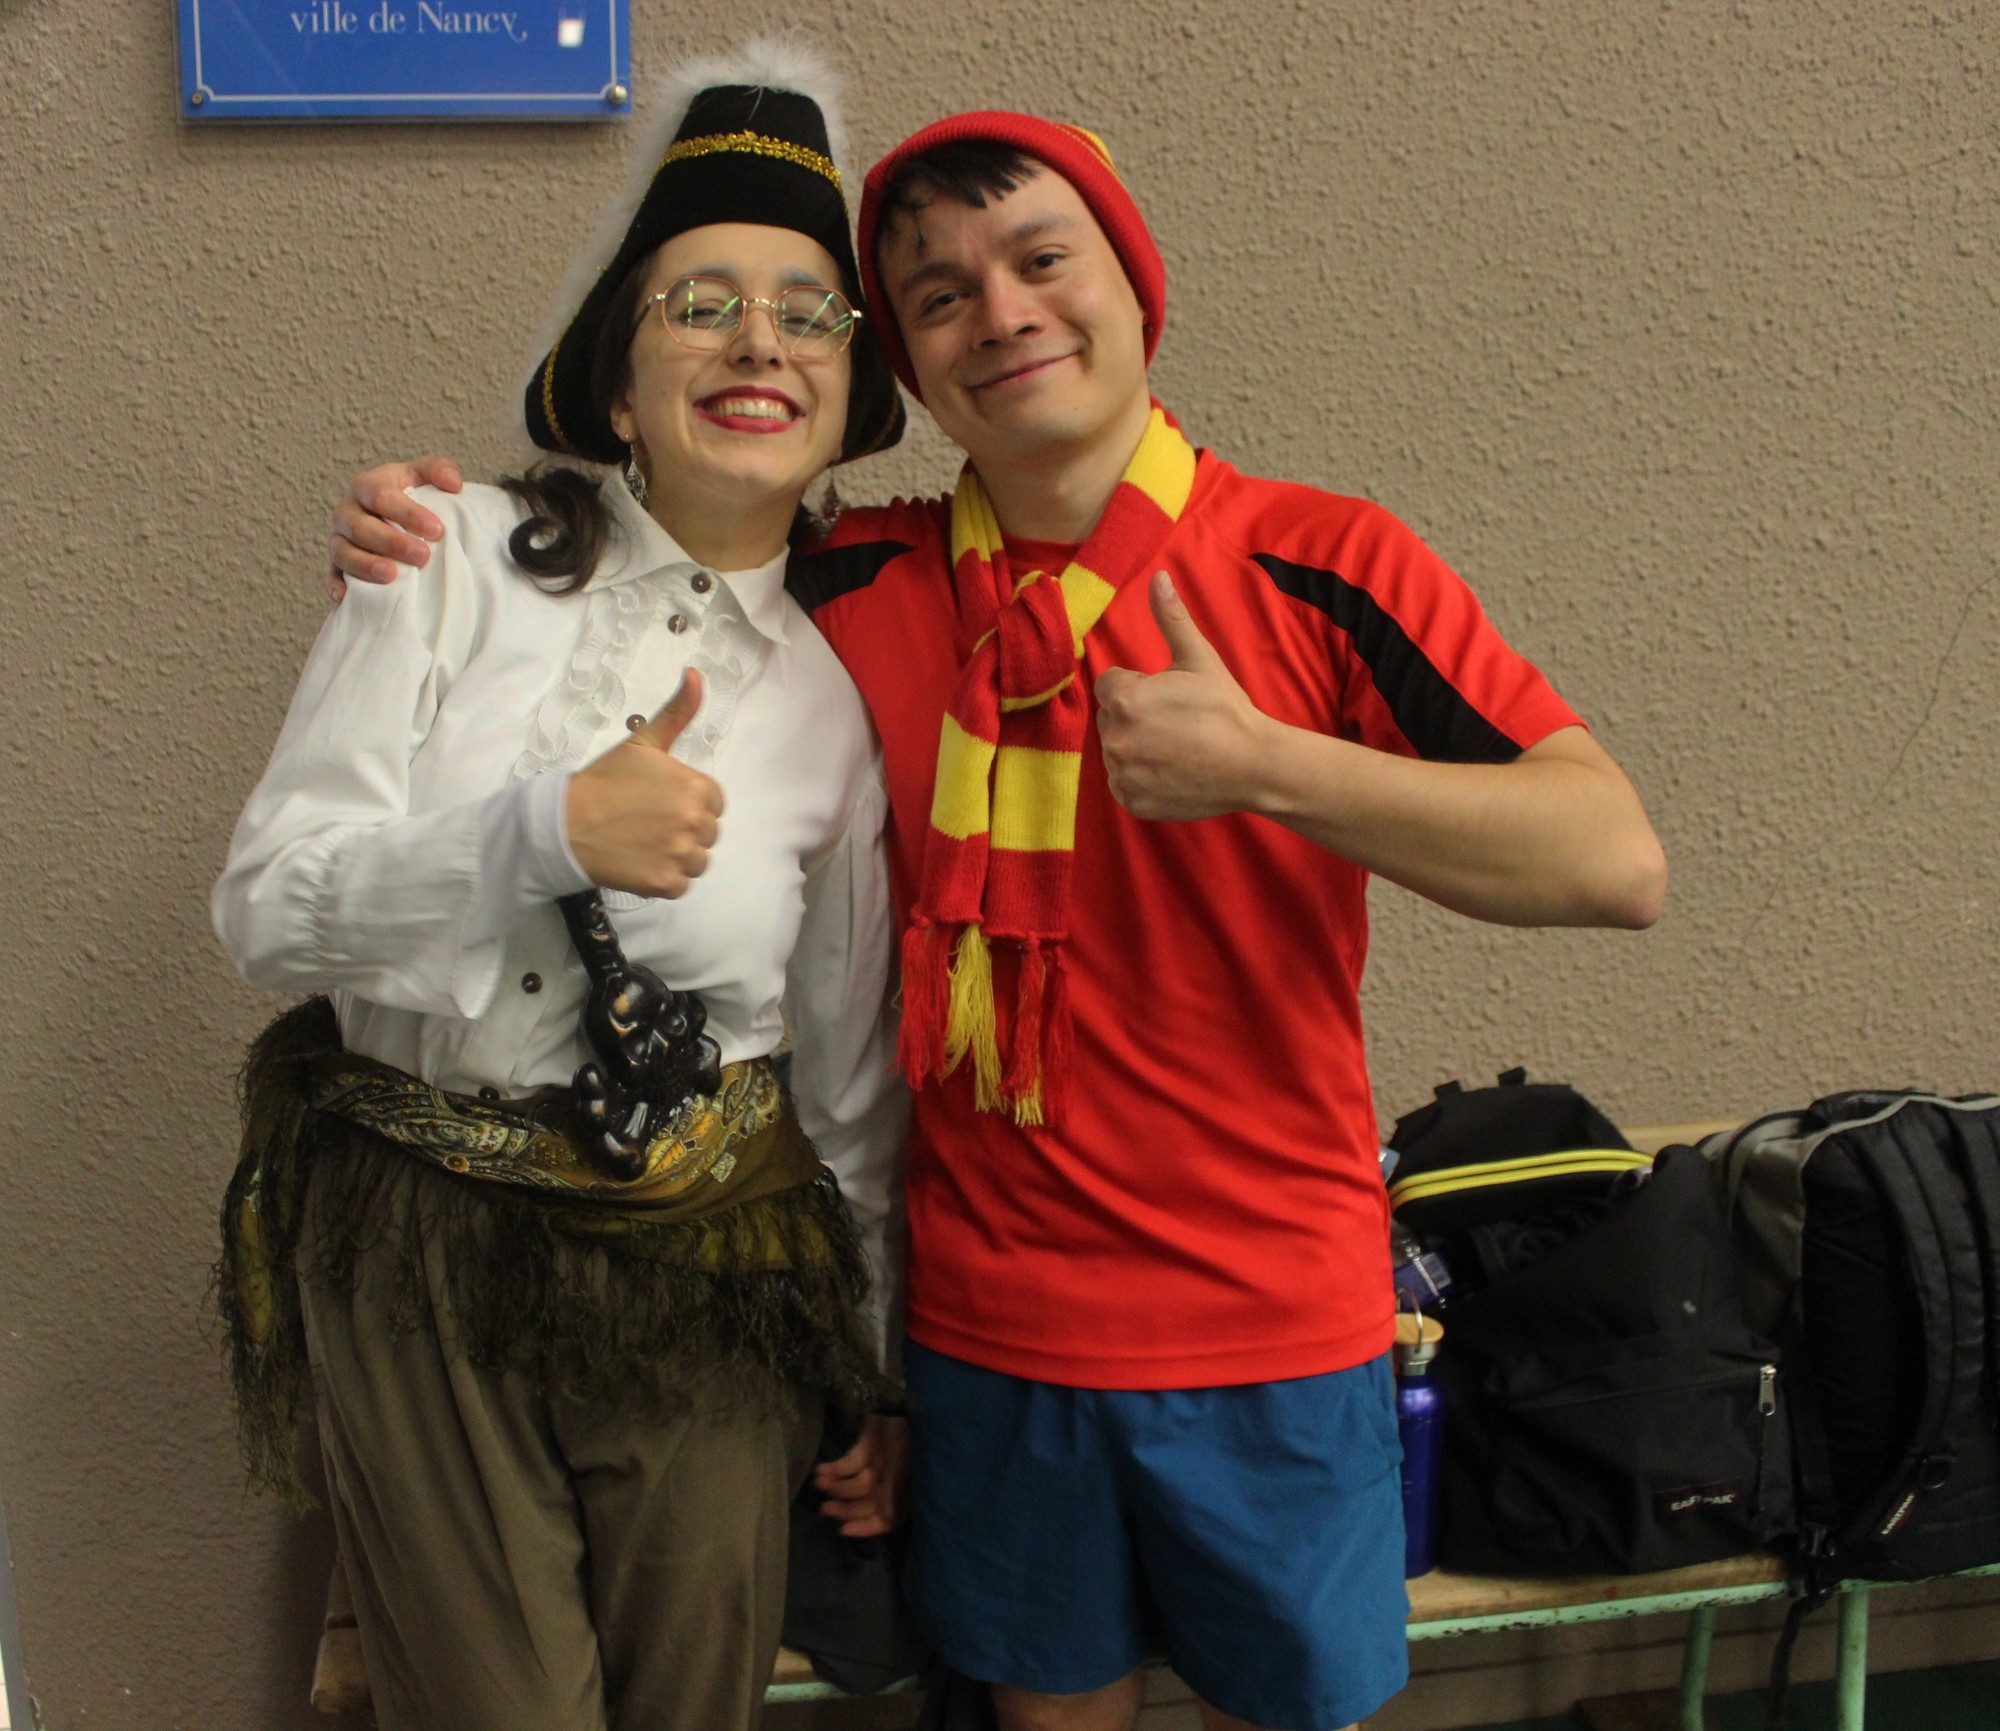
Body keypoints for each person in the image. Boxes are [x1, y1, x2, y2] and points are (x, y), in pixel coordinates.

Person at [330, 108, 1667, 1731]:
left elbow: (1612, 859)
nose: (1003, 314)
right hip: (992, 1340)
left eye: (1043, 260)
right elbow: (648, 545)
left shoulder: (1319, 559)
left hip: (1272, 1329)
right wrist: (443, 538)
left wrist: (1272, 767)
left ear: (1134, 287)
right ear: (908, 361)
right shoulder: (850, 585)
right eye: (940, 295)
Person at [212, 46, 913, 1731]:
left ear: (844, 395)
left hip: (711, 1262)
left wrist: (875, 1374)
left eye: (808, 314)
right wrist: (539, 833)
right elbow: (266, 907)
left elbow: (845, 1086)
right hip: (418, 1251)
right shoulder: (441, 562)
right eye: (701, 306)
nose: (759, 341)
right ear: (614, 386)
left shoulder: (838, 709)